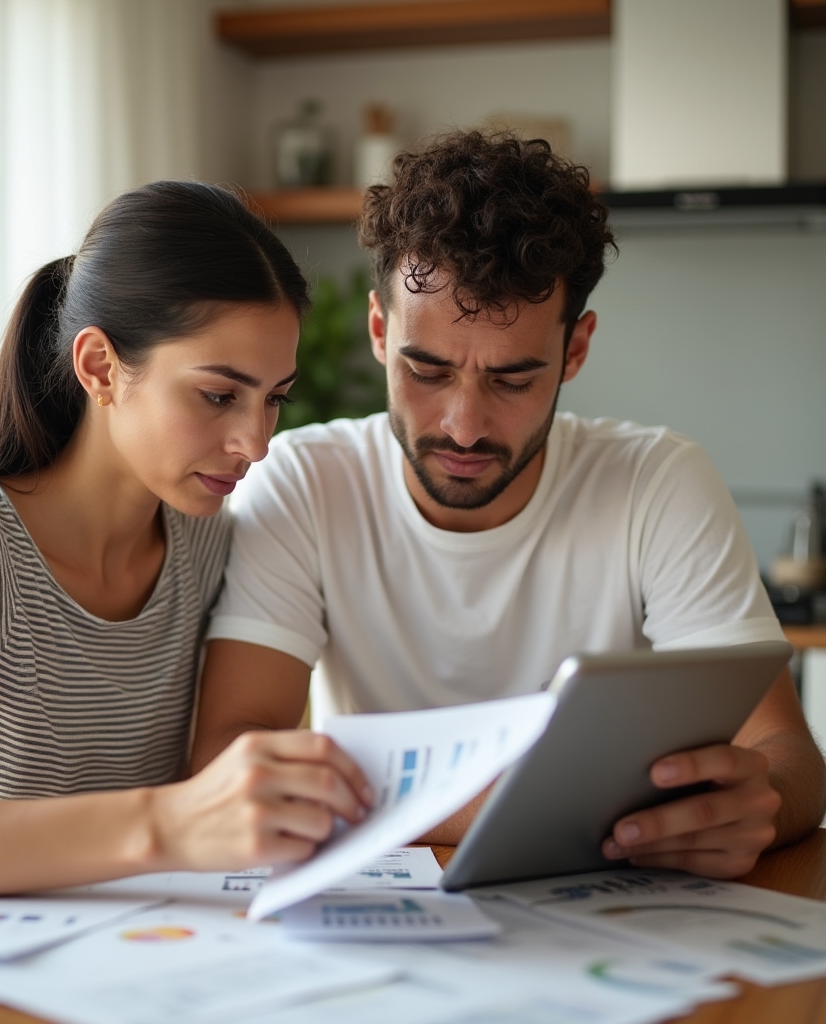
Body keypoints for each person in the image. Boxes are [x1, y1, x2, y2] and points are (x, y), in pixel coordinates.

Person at [192, 131, 826, 878]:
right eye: (426, 370)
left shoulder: (658, 481)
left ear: (576, 350)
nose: (463, 425)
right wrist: (558, 806)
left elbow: (789, 759)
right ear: (378, 331)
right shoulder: (303, 480)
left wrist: (763, 804)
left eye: (513, 380)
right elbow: (231, 750)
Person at [0, 182, 371, 898]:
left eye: (273, 399)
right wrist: (163, 825)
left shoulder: (209, 545)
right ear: (100, 367)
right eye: (220, 395)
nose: (255, 442)